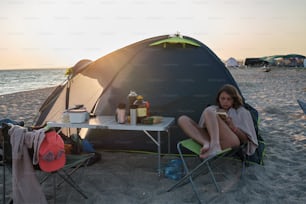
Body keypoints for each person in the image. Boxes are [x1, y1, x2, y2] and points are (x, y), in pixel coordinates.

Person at [178, 84, 258, 159]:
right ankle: (206, 143)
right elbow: (203, 127)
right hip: (210, 138)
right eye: (222, 98)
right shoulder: (214, 108)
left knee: (209, 111)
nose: (225, 102)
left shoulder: (241, 112)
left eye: (229, 99)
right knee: (183, 119)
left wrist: (232, 126)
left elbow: (245, 140)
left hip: (230, 141)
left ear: (234, 100)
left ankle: (215, 146)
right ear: (218, 99)